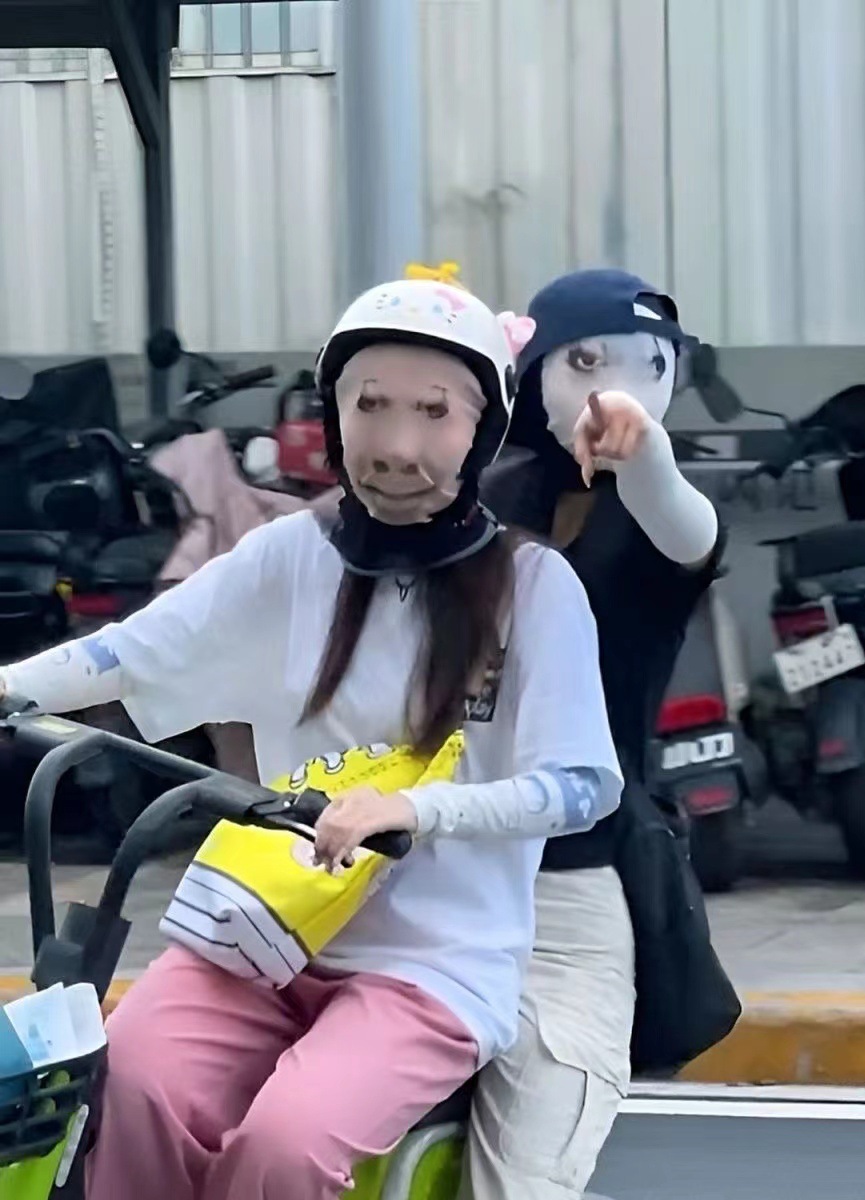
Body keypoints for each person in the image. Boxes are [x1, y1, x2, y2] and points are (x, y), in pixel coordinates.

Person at [0, 279, 624, 1200]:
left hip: (433, 966)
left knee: (285, 1145)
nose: (397, 445)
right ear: (334, 416)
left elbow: (583, 784)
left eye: (434, 413)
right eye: (370, 406)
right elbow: (130, 653)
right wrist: (10, 686)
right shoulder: (291, 553)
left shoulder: (536, 588)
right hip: (262, 929)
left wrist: (416, 810)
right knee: (128, 1081)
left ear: (483, 430)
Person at [464, 268, 727, 1200]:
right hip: (430, 861)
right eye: (583, 363)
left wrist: (644, 450)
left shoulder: (654, 518)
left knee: (524, 1176)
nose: (617, 387)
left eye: (651, 366)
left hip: (575, 875)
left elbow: (688, 529)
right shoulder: (478, 498)